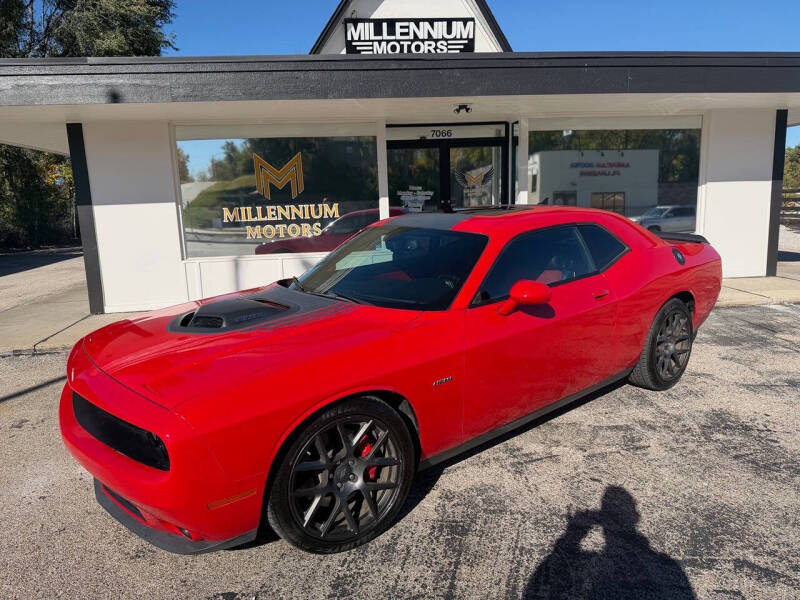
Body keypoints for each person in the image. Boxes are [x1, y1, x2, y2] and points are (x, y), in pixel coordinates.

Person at [526, 486, 695, 600]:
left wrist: (572, 534)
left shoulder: (584, 565)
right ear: (636, 517)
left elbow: (549, 578)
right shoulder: (664, 566)